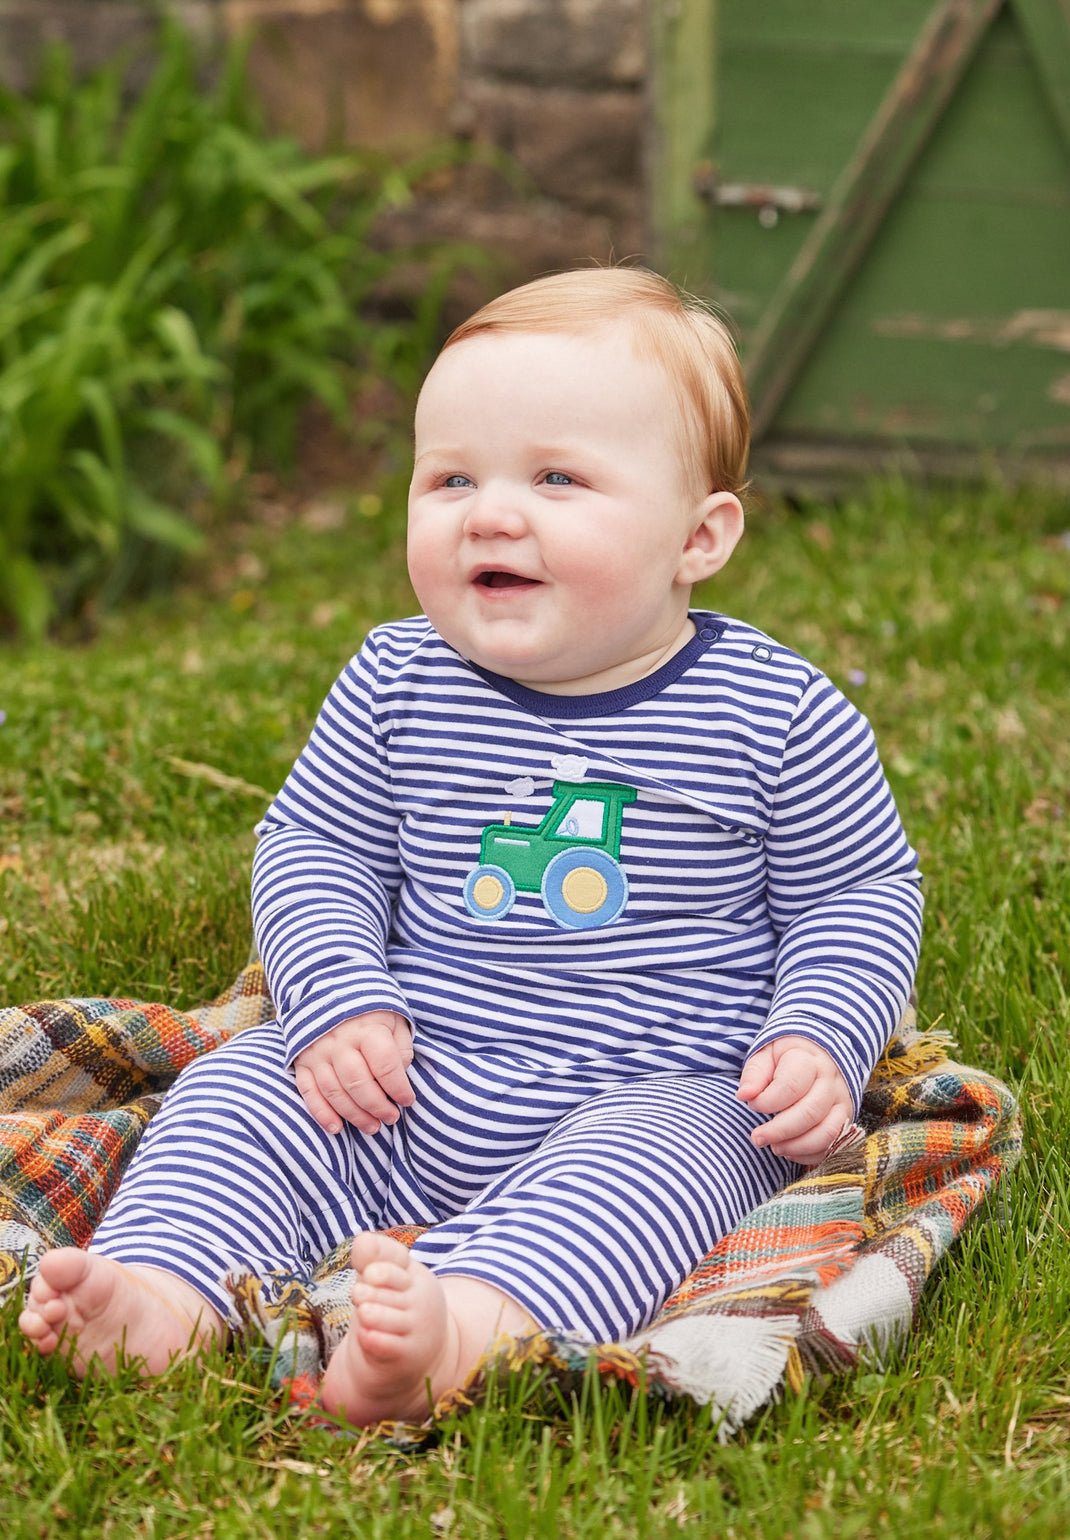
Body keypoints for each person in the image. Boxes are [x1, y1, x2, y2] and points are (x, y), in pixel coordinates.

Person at [19, 268, 923, 1426]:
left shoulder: (772, 714)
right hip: (412, 1069)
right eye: (450, 477)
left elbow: (857, 894)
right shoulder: (396, 680)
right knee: (242, 1086)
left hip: (657, 1088)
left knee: (648, 1185)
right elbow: (314, 847)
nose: (490, 512)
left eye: (555, 477)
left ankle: (457, 1335)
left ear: (698, 536)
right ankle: (157, 1297)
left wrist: (817, 1036)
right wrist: (337, 995)